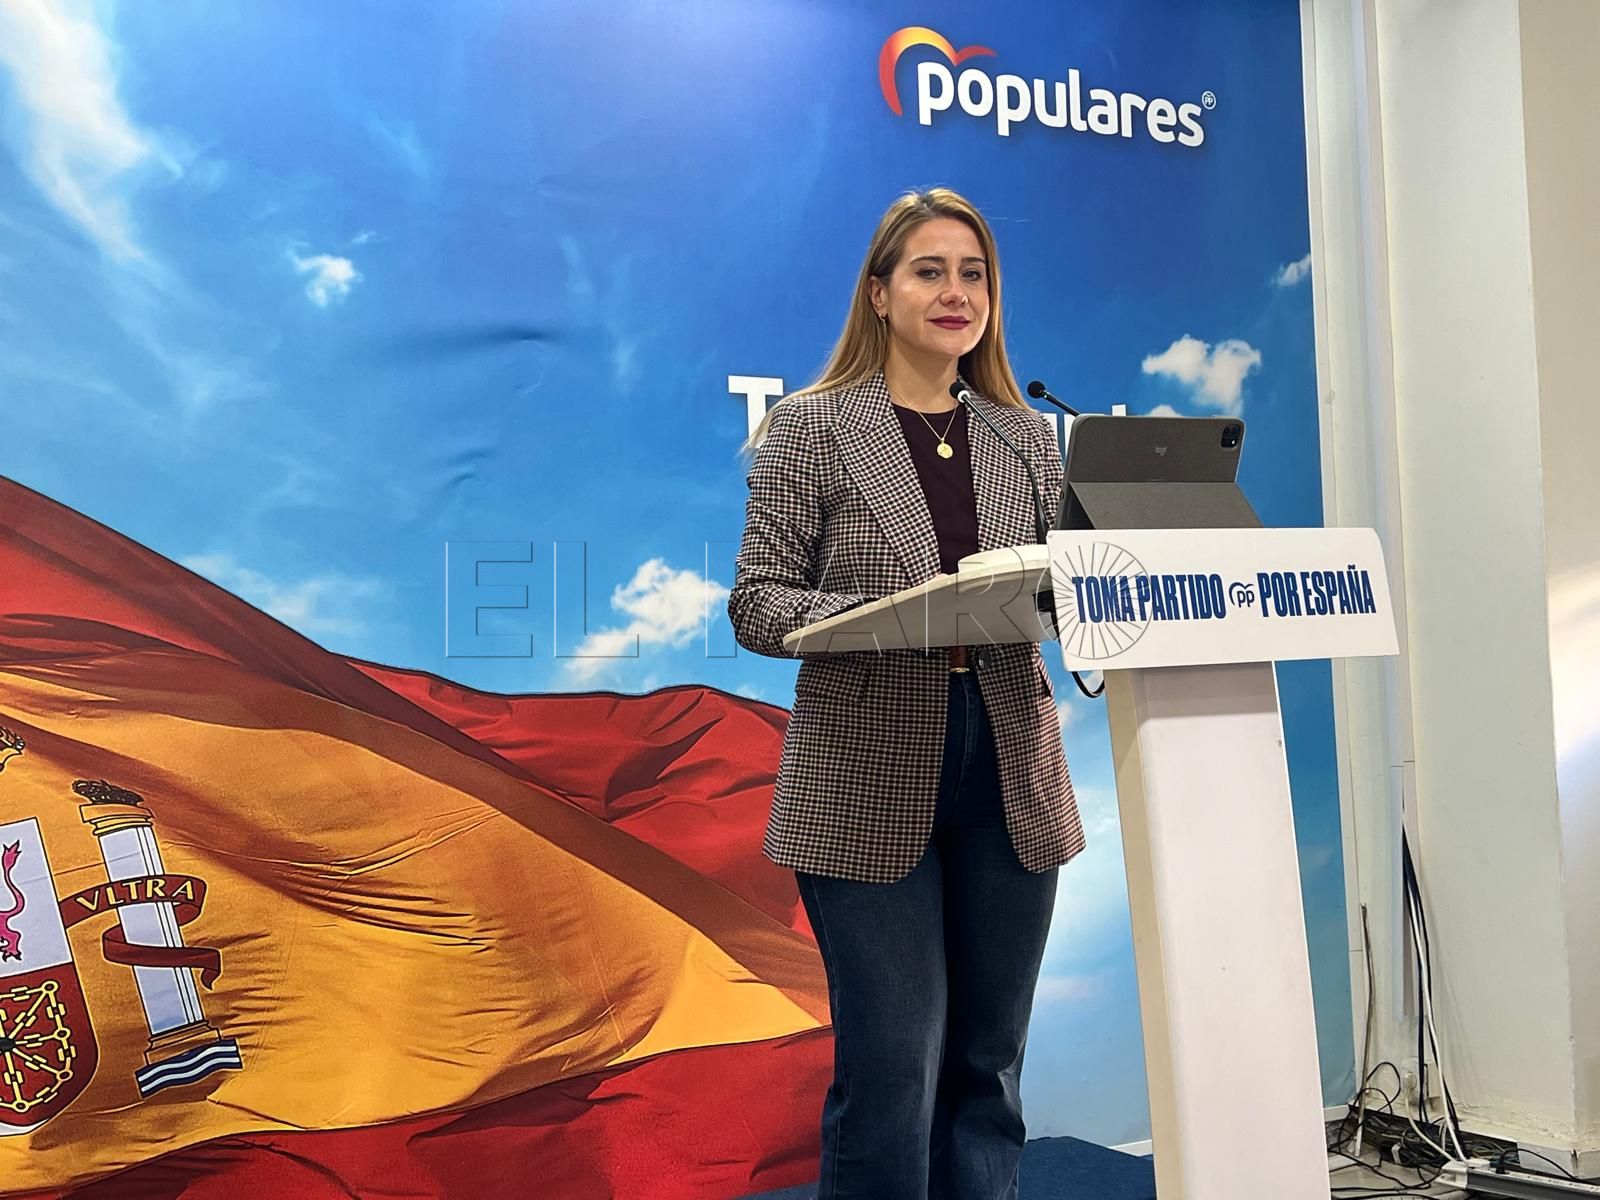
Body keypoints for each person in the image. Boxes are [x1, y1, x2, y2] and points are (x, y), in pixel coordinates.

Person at [728, 187, 1086, 1200]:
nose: (954, 292)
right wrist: (900, 612)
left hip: (1010, 766)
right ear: (879, 294)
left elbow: (1066, 588)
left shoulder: (1024, 436)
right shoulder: (812, 427)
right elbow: (758, 603)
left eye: (973, 274)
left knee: (989, 1067)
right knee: (893, 1071)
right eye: (929, 271)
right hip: (863, 769)